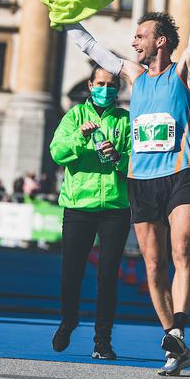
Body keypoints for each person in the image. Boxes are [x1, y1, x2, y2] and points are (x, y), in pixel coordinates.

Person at [63, 0, 190, 375]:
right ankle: (173, 343)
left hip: (180, 174)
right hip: (141, 180)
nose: (133, 42)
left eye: (140, 35)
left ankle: (178, 332)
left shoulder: (184, 71)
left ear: (160, 41)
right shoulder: (132, 75)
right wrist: (64, 17)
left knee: (182, 250)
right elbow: (92, 49)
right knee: (152, 265)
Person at [49, 65, 131, 361]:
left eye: (111, 84)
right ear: (90, 84)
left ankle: (103, 341)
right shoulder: (74, 116)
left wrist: (119, 158)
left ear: (118, 88)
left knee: (108, 276)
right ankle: (68, 320)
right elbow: (57, 152)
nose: (105, 89)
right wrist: (81, 139)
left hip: (115, 208)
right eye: (100, 83)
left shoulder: (126, 120)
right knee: (72, 272)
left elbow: (137, 162)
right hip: (78, 207)